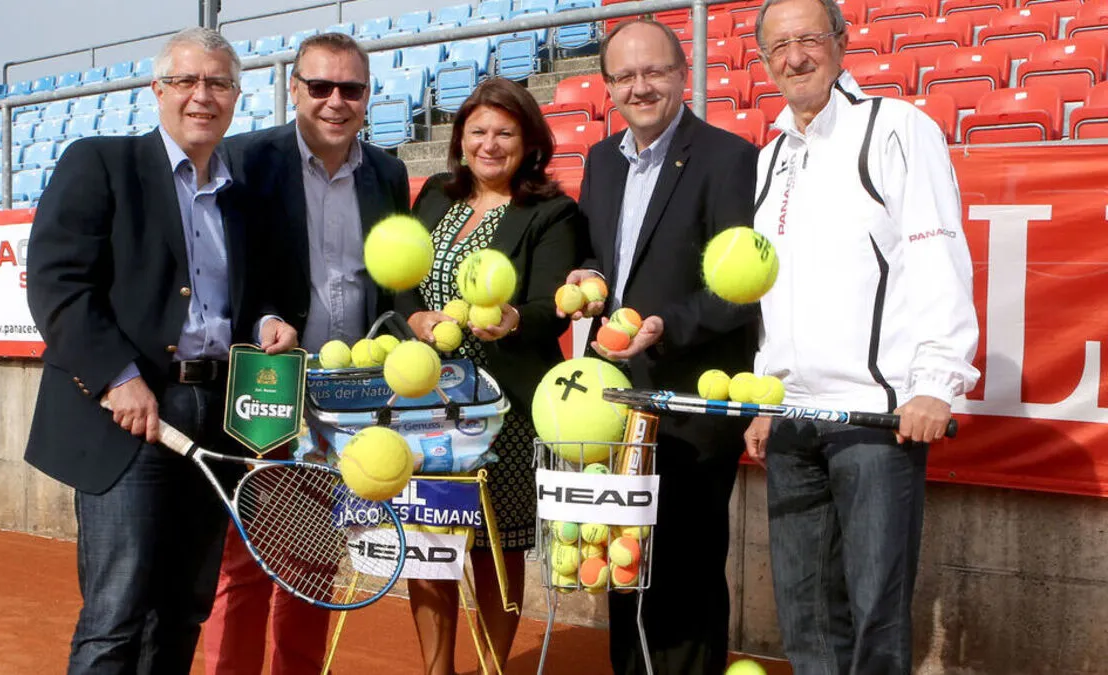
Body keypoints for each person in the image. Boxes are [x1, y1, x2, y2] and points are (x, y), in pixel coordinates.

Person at [24, 27, 299, 675]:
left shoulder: (244, 196)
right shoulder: (100, 162)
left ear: (236, 96)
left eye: (218, 83)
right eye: (186, 81)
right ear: (158, 90)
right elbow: (57, 283)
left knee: (183, 608)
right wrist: (116, 376)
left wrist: (269, 320)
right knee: (117, 612)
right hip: (132, 414)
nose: (201, 95)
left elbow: (257, 293)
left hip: (217, 414)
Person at [742, 0, 980, 672]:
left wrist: (935, 382)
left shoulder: (897, 128)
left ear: (842, 43)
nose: (794, 57)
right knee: (806, 614)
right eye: (778, 46)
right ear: (763, 61)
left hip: (875, 419)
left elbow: (937, 257)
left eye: (809, 39)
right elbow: (771, 288)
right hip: (792, 419)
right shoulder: (770, 160)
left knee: (875, 615)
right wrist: (766, 394)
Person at [201, 32, 410, 675]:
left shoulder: (388, 172)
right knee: (245, 566)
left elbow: (391, 285)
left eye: (351, 88)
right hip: (267, 384)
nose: (335, 101)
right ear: (294, 90)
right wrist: (266, 320)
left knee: (315, 564)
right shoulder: (244, 159)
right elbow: (223, 269)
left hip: (345, 397)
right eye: (319, 86)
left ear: (368, 96)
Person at [560, 18, 761, 675]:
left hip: (691, 402)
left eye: (653, 72)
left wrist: (665, 324)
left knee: (688, 567)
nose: (639, 86)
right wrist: (586, 275)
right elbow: (598, 255)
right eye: (624, 75)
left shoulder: (729, 158)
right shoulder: (599, 160)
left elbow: (740, 287)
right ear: (608, 87)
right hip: (617, 401)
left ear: (683, 75)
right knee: (626, 560)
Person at [396, 77, 584, 674]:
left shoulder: (551, 211)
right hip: (425, 398)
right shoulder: (432, 195)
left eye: (505, 132)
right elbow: (402, 278)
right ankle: (437, 669)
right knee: (430, 543)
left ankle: (492, 666)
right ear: (460, 139)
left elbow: (551, 303)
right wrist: (415, 315)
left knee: (494, 546)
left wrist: (508, 320)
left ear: (530, 142)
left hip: (501, 406)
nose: (490, 143)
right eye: (478, 131)